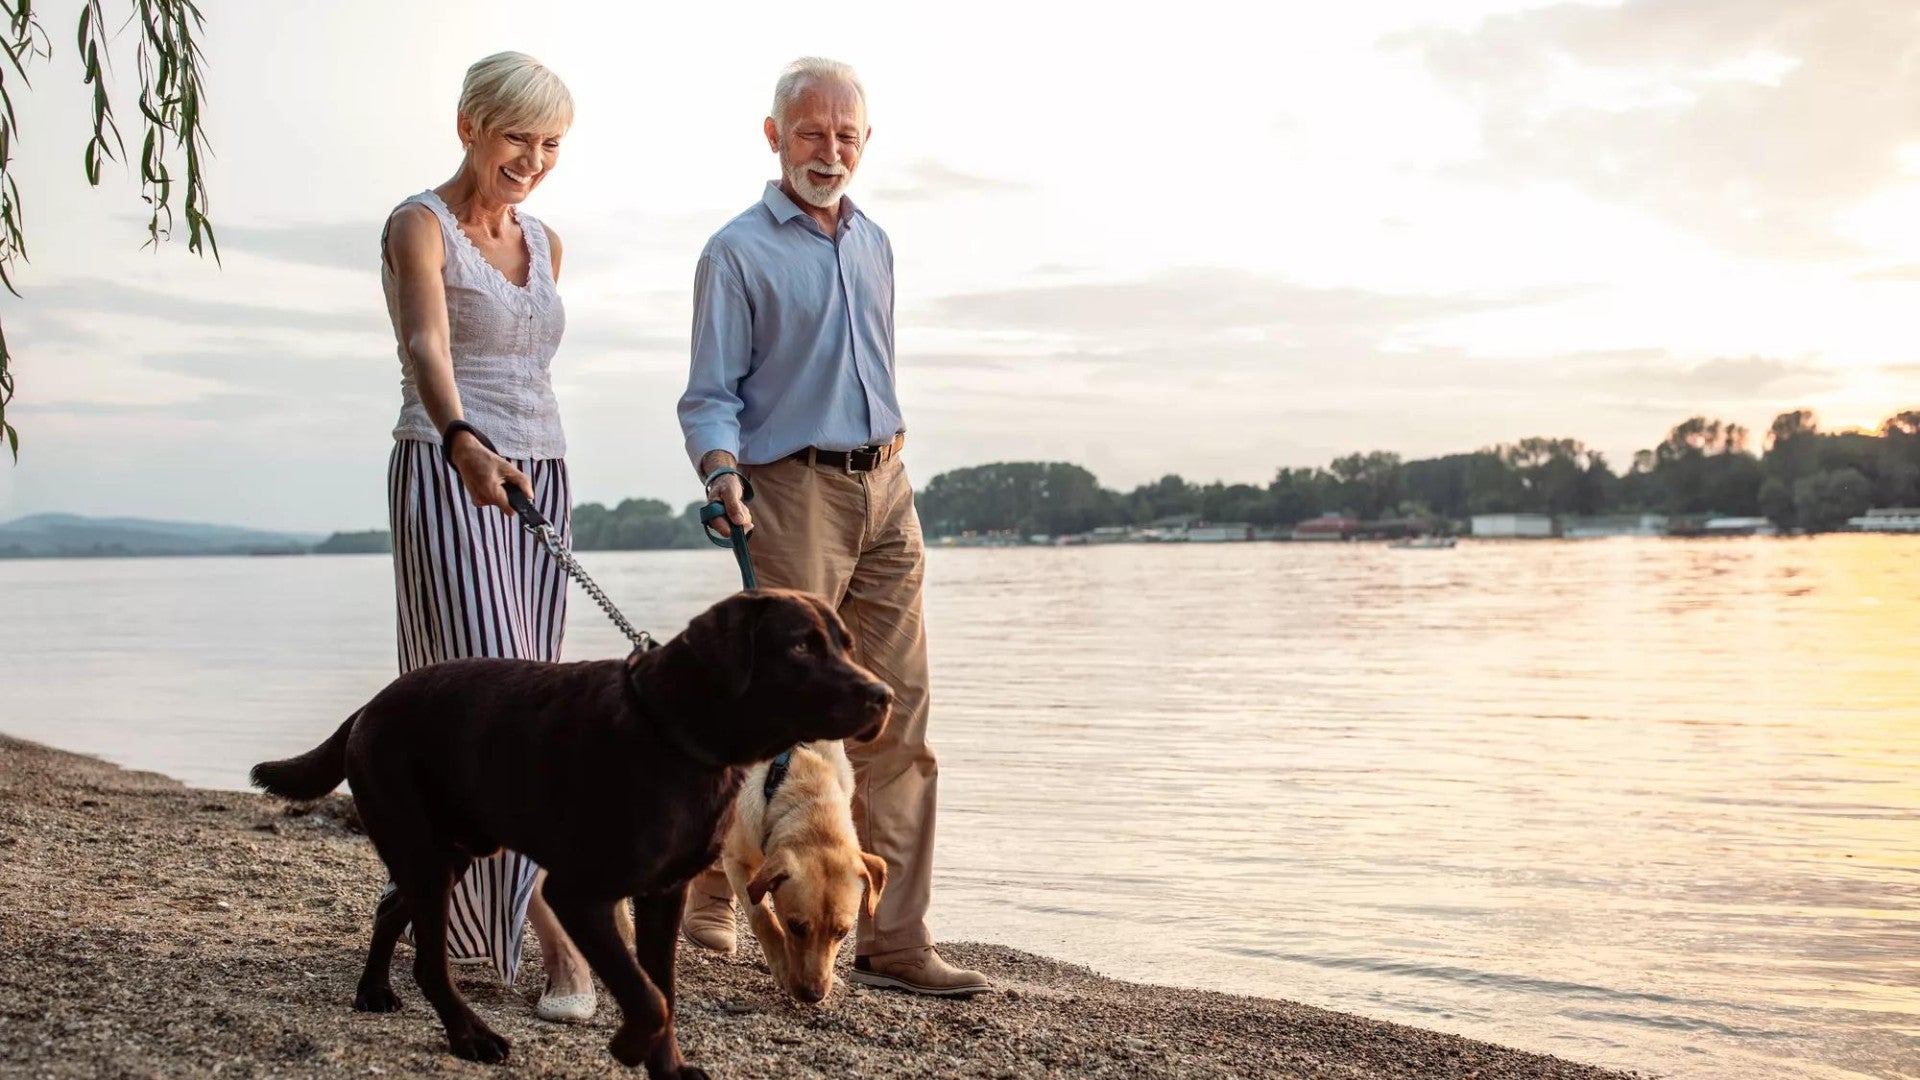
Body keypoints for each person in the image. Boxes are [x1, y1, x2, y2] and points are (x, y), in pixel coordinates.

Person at [676, 56, 990, 996]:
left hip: (889, 484)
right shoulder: (735, 252)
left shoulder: (875, 243)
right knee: (764, 718)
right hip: (791, 489)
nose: (830, 151)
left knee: (897, 717)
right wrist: (722, 474)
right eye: (811, 133)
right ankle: (710, 888)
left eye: (847, 135)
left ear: (865, 142)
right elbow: (709, 396)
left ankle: (893, 940)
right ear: (774, 137)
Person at [378, 51, 597, 1023]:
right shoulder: (417, 224)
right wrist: (463, 437)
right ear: (470, 124)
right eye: (518, 137)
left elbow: (534, 365)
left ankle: (439, 913)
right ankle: (566, 945)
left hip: (540, 473)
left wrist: (520, 459)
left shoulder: (546, 240)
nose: (533, 159)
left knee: (536, 708)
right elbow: (425, 343)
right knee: (491, 704)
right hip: (448, 466)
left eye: (550, 144)